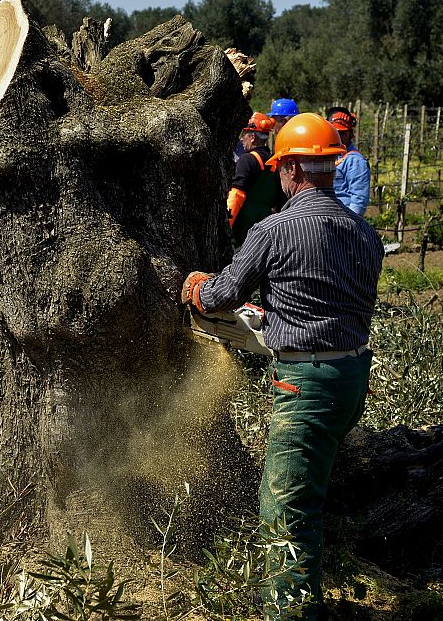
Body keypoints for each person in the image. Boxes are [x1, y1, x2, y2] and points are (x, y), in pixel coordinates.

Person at [181, 113, 383, 620]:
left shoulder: (276, 228)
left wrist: (196, 288)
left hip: (306, 379)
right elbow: (334, 296)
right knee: (309, 487)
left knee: (286, 506)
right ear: (332, 168)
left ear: (290, 169)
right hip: (352, 373)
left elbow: (225, 293)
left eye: (280, 169)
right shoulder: (364, 232)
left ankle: (289, 611)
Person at [229, 112, 283, 247]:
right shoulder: (274, 162)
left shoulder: (247, 160)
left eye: (244, 134)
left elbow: (237, 195)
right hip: (267, 229)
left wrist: (226, 225)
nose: (241, 139)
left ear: (252, 137)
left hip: (243, 230)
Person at [327, 107, 370, 216]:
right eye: (335, 132)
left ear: (350, 134)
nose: (338, 137)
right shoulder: (329, 156)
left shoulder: (355, 161)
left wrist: (348, 224)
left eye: (342, 133)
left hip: (343, 220)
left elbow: (359, 202)